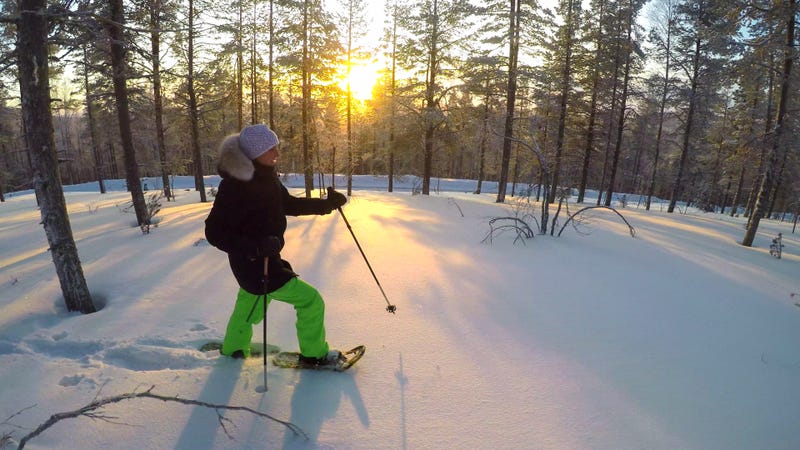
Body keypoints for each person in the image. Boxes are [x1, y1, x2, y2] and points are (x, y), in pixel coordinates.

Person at [204, 124, 348, 367]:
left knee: (251, 303)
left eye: (277, 147)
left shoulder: (266, 175)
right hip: (254, 262)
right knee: (310, 300)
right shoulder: (235, 185)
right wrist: (256, 247)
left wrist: (325, 205)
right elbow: (214, 232)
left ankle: (234, 348)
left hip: (265, 260)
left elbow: (288, 204)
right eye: (271, 149)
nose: (277, 154)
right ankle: (314, 354)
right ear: (254, 152)